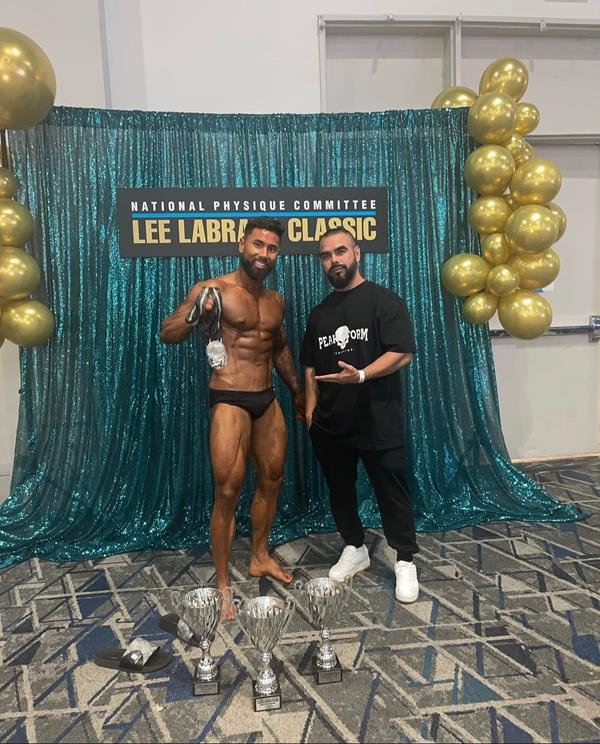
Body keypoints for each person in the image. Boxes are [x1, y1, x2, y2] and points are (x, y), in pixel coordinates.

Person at [160, 217, 304, 613]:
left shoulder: (275, 301)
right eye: (258, 244)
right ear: (242, 245)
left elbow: (278, 348)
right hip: (229, 397)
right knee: (228, 491)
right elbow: (168, 333)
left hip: (266, 398)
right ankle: (223, 582)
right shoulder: (213, 289)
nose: (264, 254)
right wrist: (195, 314)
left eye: (271, 248)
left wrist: (297, 391)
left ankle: (259, 555)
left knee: (273, 479)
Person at [300, 226, 419, 603]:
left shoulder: (384, 301)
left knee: (391, 492)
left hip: (378, 419)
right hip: (331, 424)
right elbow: (309, 363)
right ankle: (355, 547)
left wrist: (363, 375)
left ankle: (404, 559)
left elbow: (402, 352)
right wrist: (310, 409)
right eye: (325, 255)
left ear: (357, 253)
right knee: (340, 491)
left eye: (340, 251)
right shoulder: (319, 314)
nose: (333, 260)